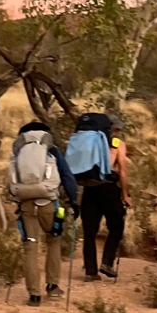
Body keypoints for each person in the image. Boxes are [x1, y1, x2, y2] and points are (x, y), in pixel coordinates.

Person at [7, 120, 79, 305]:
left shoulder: (18, 153)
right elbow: (67, 177)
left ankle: (34, 295)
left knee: (30, 246)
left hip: (26, 205)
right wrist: (73, 201)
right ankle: (52, 286)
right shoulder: (52, 150)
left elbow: (11, 184)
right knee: (53, 239)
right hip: (48, 203)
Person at [66, 113, 130, 281]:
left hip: (89, 187)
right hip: (109, 189)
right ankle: (107, 262)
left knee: (89, 230)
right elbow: (122, 171)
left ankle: (90, 271)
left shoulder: (87, 143)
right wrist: (125, 194)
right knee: (116, 225)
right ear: (114, 129)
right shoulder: (118, 144)